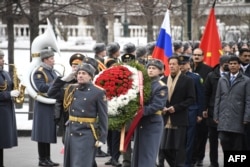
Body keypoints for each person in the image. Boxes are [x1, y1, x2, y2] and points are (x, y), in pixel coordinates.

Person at [48, 63, 108, 167]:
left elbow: (103, 116)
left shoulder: (98, 92)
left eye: (84, 73)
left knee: (81, 163)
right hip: (71, 131)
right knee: (71, 163)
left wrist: (102, 138)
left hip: (87, 132)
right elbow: (51, 93)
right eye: (79, 73)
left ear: (90, 76)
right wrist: (63, 80)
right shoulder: (71, 89)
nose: (80, 75)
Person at [159, 56, 196, 167]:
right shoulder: (163, 80)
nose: (171, 66)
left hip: (179, 118)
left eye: (174, 64)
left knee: (179, 148)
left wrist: (176, 107)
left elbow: (191, 99)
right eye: (170, 64)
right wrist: (163, 108)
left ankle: (179, 164)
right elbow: (159, 98)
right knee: (164, 148)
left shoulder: (187, 80)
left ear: (179, 66)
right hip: (165, 118)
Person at [131, 59, 168, 167]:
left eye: (154, 68)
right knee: (138, 154)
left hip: (152, 123)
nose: (150, 70)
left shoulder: (161, 86)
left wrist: (139, 112)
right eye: (149, 68)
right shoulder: (143, 84)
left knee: (148, 154)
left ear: (160, 71)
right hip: (141, 122)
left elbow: (157, 105)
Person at [214, 56, 250, 152]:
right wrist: (216, 115)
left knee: (237, 146)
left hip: (238, 118)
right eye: (231, 64)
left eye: (235, 64)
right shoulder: (222, 80)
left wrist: (246, 117)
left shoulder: (246, 80)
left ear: (239, 66)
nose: (233, 66)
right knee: (224, 142)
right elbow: (218, 98)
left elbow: (248, 100)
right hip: (224, 117)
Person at [31, 49, 59, 166]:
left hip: (50, 104)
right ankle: (42, 159)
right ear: (45, 60)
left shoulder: (52, 71)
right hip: (42, 105)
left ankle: (48, 158)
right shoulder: (40, 72)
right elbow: (41, 87)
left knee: (47, 133)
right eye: (51, 59)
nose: (53, 60)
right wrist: (57, 83)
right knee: (42, 133)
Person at [202, 55, 230, 167]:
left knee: (227, 141)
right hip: (213, 112)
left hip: (228, 113)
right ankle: (214, 162)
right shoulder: (211, 76)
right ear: (222, 64)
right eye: (228, 64)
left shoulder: (235, 76)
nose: (231, 66)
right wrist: (205, 108)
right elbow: (206, 93)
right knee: (213, 140)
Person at [178, 55, 204, 167]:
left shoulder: (195, 78)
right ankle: (180, 161)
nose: (181, 66)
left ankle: (188, 162)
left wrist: (199, 114)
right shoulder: (174, 77)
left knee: (190, 139)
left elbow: (200, 96)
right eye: (180, 64)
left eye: (184, 64)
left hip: (191, 111)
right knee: (179, 138)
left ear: (189, 64)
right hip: (178, 112)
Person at [191, 48, 212, 166]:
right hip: (190, 106)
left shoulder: (208, 70)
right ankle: (192, 157)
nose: (196, 57)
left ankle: (200, 158)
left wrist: (205, 108)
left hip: (202, 106)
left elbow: (207, 90)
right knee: (191, 135)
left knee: (202, 134)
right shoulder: (189, 68)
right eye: (194, 55)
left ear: (203, 56)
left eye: (199, 55)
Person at [105, 42, 122, 167]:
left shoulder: (121, 78)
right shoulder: (105, 78)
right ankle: (111, 155)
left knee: (115, 134)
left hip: (117, 108)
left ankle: (115, 157)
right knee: (109, 134)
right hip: (107, 107)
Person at [0, 50, 19, 167]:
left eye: (3, 57)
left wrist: (18, 82)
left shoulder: (5, 73)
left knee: (1, 141)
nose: (3, 60)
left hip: (6, 110)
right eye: (1, 58)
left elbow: (10, 86)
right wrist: (9, 94)